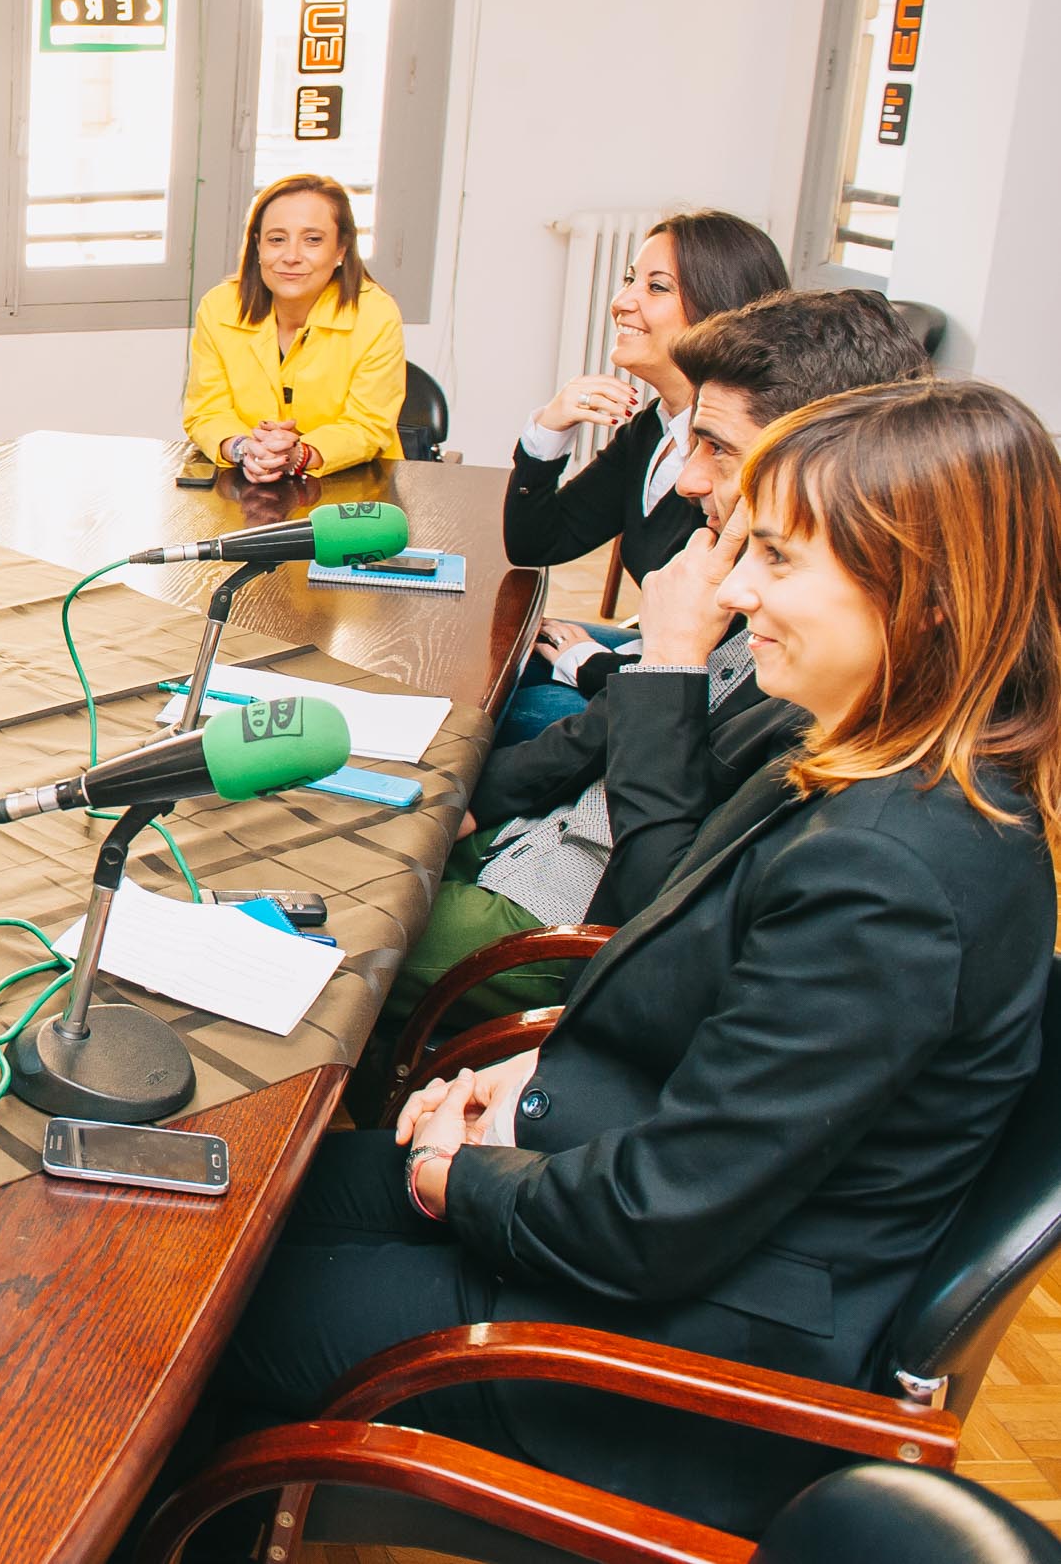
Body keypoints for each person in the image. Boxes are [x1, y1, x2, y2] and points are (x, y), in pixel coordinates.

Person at [176, 376, 1059, 1543]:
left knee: (178, 1315)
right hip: (633, 1220)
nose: (733, 590)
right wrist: (529, 1077)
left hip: (653, 1347)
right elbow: (724, 1036)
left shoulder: (898, 868)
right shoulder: (871, 765)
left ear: (931, 600)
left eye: (780, 561)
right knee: (212, 1200)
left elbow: (660, 1217)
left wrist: (463, 1171)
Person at [393, 290, 928, 1026]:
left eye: (717, 449)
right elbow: (604, 727)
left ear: (815, 460)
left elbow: (658, 920)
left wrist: (671, 660)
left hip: (575, 927)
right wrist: (471, 802)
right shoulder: (752, 585)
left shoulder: (818, 661)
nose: (689, 480)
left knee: (339, 923)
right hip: (530, 847)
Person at [494, 210, 788, 745]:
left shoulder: (746, 465)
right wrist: (548, 429)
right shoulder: (653, 428)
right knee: (500, 658)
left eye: (655, 287)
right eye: (631, 278)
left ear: (718, 312)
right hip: (655, 663)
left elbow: (728, 686)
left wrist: (590, 665)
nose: (622, 300)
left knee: (504, 712)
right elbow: (538, 540)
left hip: (691, 710)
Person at [180, 174, 405, 482]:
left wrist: (299, 455)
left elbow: (367, 424)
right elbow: (206, 411)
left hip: (357, 490)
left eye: (313, 240)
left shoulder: (375, 313)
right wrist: (244, 449)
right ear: (257, 245)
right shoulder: (219, 307)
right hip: (246, 483)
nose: (291, 256)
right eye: (276, 239)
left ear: (341, 249)